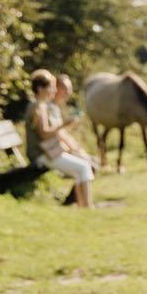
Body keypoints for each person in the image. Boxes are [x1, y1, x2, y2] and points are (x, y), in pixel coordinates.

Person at [25, 69, 97, 207]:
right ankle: (87, 206)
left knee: (82, 169)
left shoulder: (39, 105)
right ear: (40, 88)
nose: (53, 90)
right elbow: (44, 133)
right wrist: (64, 124)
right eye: (50, 87)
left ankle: (83, 205)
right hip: (41, 154)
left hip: (45, 152)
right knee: (83, 167)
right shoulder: (38, 106)